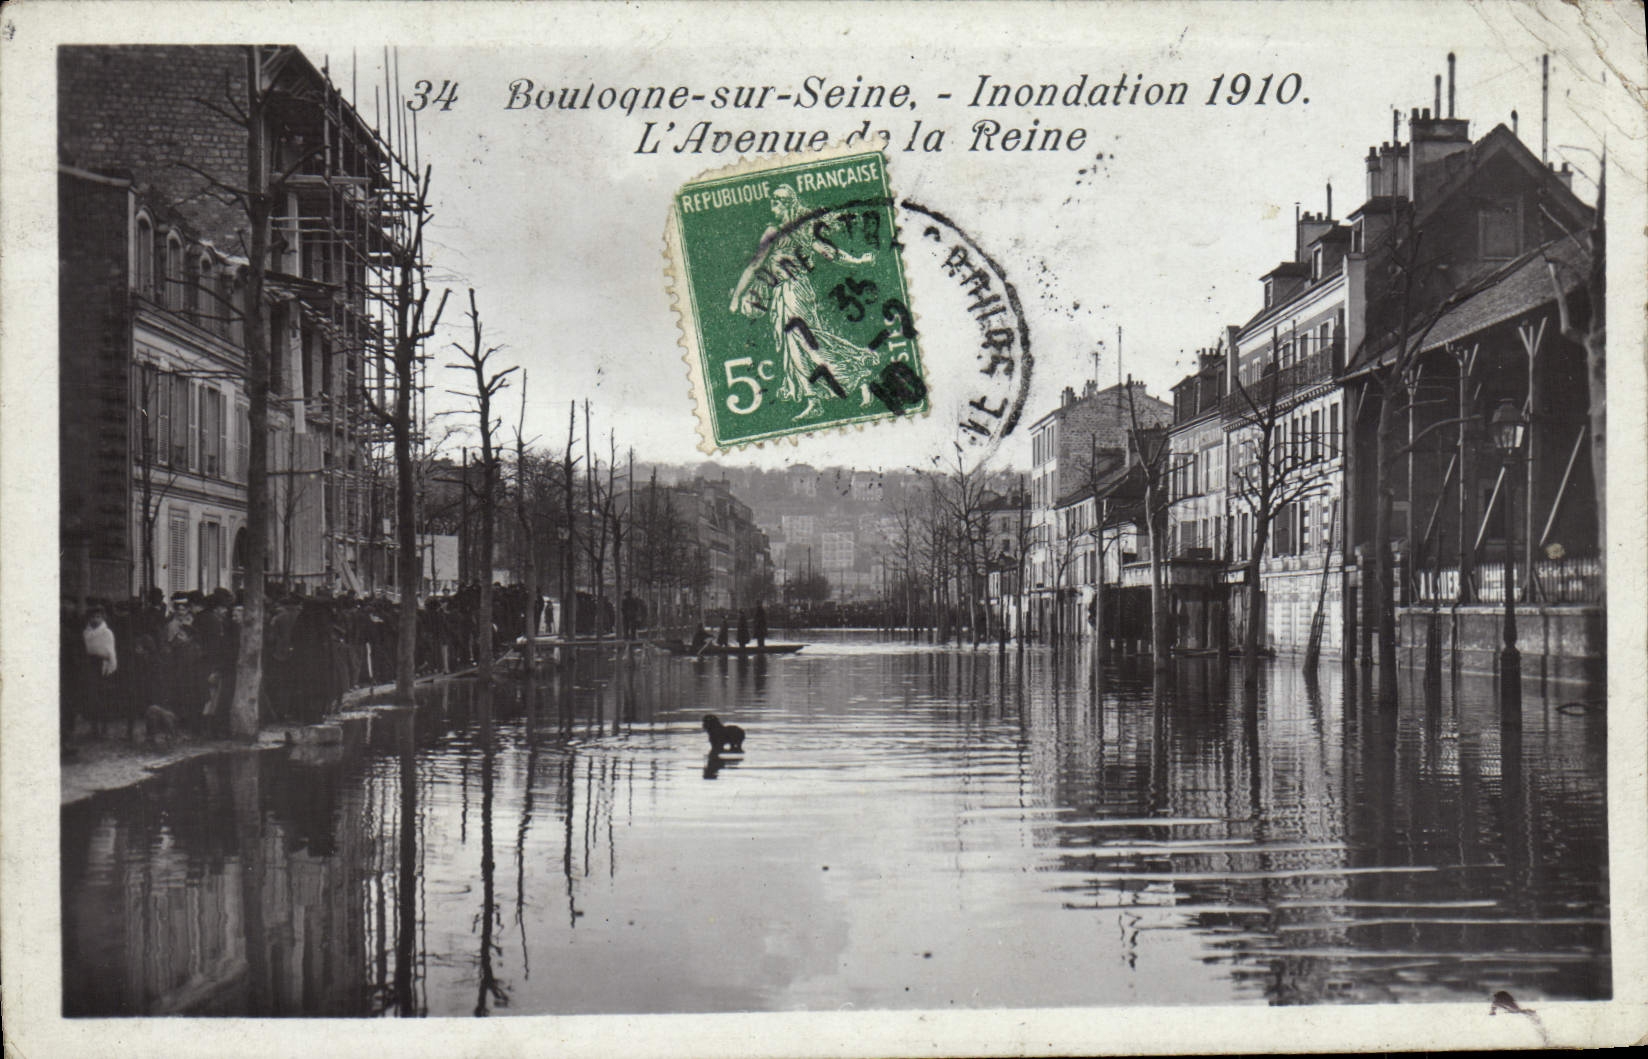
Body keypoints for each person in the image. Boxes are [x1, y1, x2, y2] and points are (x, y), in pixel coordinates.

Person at [728, 183, 880, 422]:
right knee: (797, 347)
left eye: (776, 202)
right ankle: (819, 397)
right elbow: (755, 265)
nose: (772, 207)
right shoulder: (781, 231)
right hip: (782, 293)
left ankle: (855, 376)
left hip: (795, 292)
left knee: (807, 344)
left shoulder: (797, 230)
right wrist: (738, 295)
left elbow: (830, 253)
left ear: (787, 204)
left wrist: (859, 261)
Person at [82, 606, 119, 738]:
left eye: (98, 617)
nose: (95, 620)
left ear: (103, 618)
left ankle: (104, 728)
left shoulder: (107, 632)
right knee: (91, 696)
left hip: (102, 665)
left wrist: (110, 665)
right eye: (93, 617)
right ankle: (94, 727)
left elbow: (110, 651)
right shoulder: (86, 632)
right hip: (90, 665)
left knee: (102, 697)